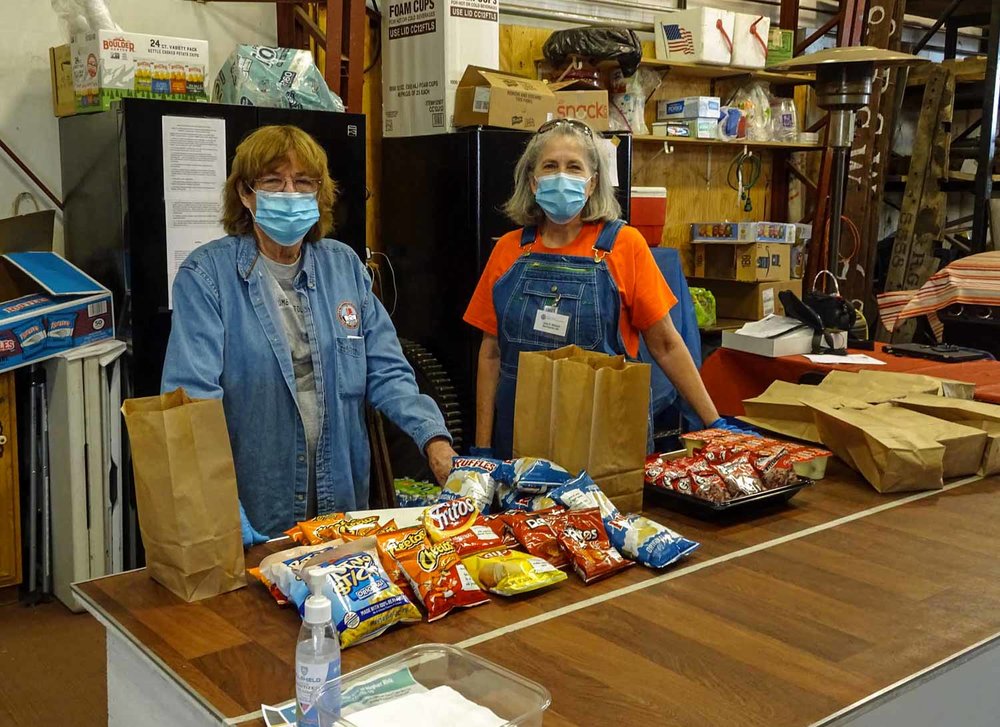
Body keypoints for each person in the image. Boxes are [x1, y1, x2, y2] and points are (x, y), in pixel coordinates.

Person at [162, 125, 457, 542]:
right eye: (272, 181)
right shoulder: (207, 276)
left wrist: (436, 443)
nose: (289, 193)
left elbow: (388, 372)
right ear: (246, 194)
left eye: (303, 182)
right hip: (255, 503)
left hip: (341, 503)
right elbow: (190, 402)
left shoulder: (344, 267)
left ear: (319, 194)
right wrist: (220, 503)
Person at [464, 118, 728, 459]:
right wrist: (482, 447)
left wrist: (714, 422)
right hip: (518, 441)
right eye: (550, 166)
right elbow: (490, 355)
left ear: (592, 184)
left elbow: (665, 343)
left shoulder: (624, 245)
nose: (562, 176)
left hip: (604, 445)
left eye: (574, 167)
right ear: (532, 182)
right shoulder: (509, 251)